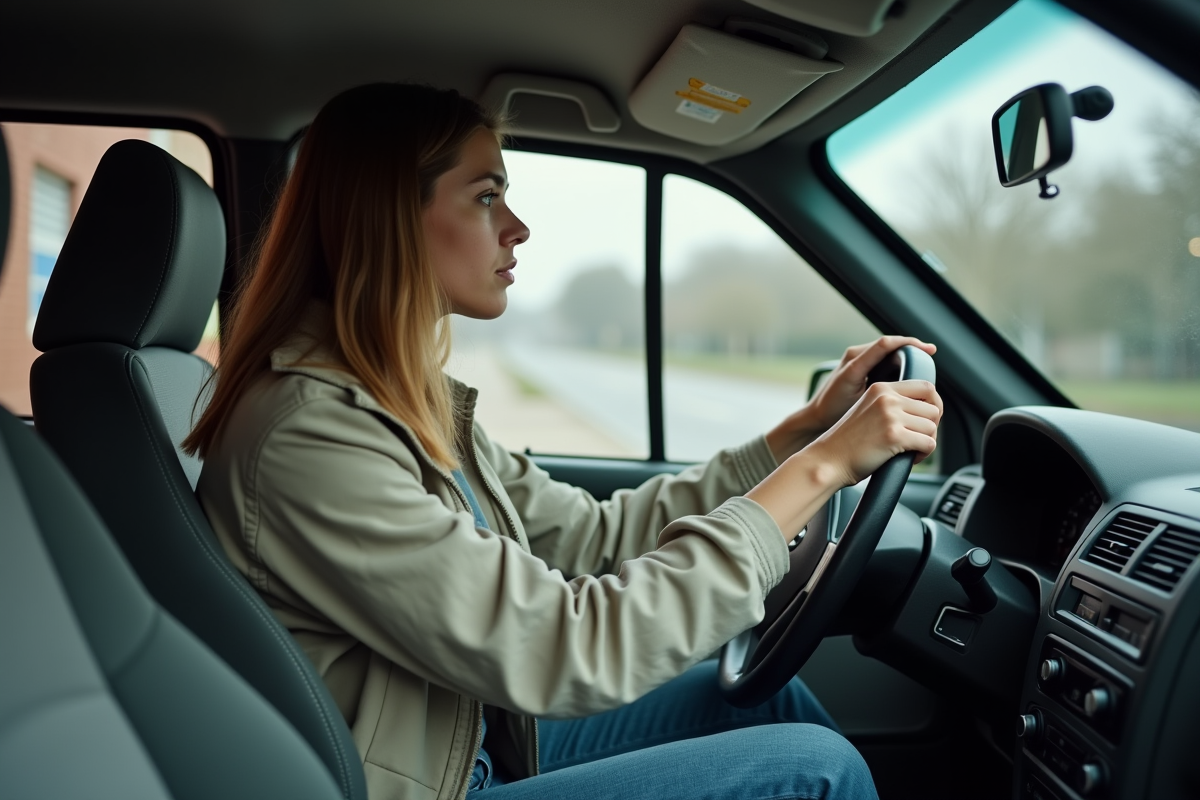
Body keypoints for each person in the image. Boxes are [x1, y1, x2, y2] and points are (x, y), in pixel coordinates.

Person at [186, 83, 942, 800]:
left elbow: (591, 536)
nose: (516, 226)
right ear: (388, 217)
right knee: (815, 773)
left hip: (459, 742)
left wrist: (796, 437)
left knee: (773, 705)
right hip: (429, 784)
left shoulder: (391, 398)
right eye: (487, 197)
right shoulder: (312, 435)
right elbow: (569, 649)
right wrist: (824, 468)